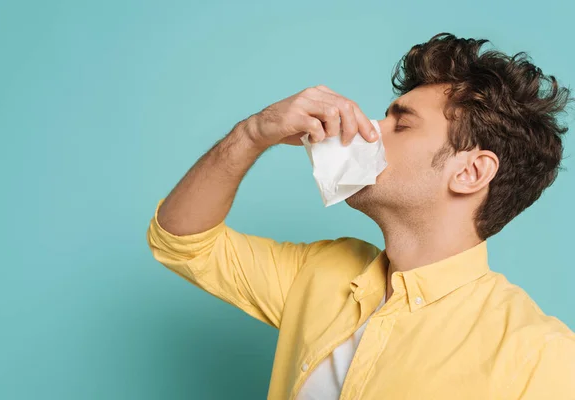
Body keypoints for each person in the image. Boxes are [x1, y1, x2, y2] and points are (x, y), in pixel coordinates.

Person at [146, 33, 575, 399]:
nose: (367, 130)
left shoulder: (542, 356)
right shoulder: (318, 273)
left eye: (400, 124)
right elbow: (182, 241)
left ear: (470, 172)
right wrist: (254, 133)